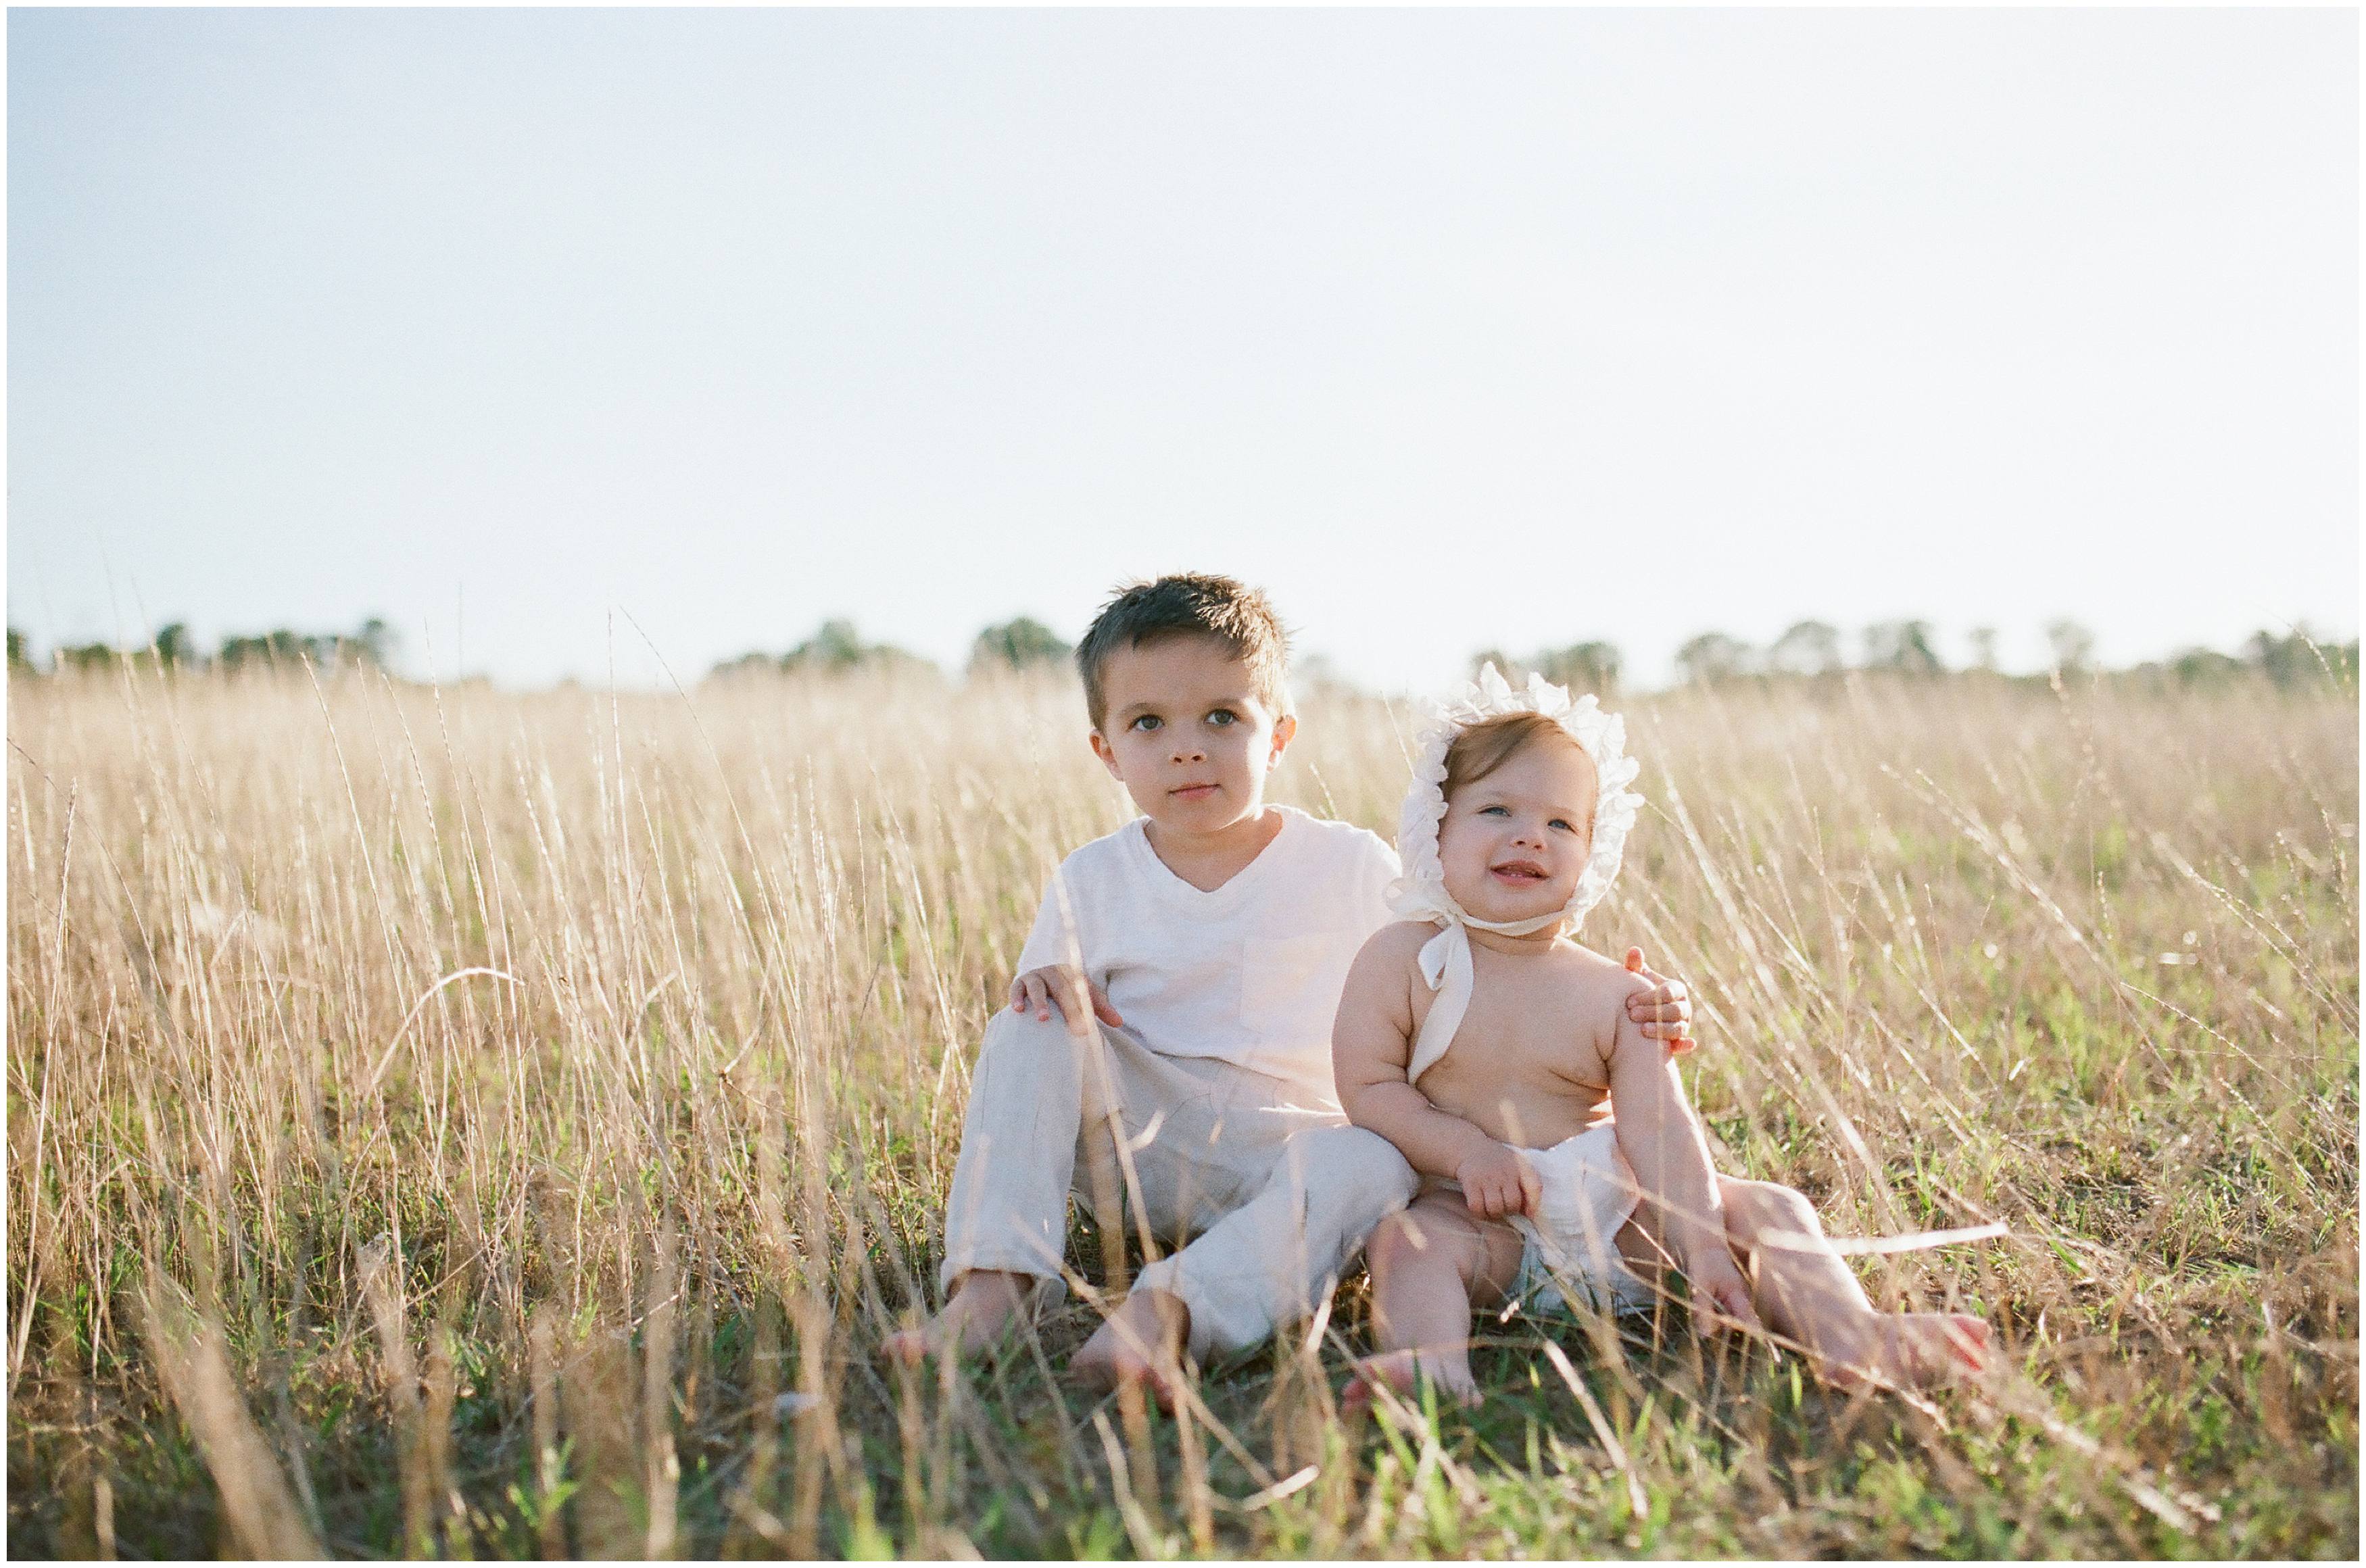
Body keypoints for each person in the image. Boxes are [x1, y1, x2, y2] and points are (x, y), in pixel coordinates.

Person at [884, 578, 1697, 1399]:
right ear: (1106, 751)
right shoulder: (1091, 878)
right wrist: (1050, 980)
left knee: (1372, 1160)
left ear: (1277, 735)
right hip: (1139, 1151)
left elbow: (1485, 945)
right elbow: (1044, 1012)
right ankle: (995, 1286)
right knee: (1028, 1028)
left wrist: (1632, 1003)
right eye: (1147, 724)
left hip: (1291, 1157)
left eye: (1221, 717)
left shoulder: (1348, 865)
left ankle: (1170, 1313)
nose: (1186, 748)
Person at [1332, 665, 1990, 1407]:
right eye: (1495, 810)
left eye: (1560, 824)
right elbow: (1368, 1086)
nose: (1529, 836)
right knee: (1406, 1245)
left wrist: (1700, 1236)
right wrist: (1466, 1151)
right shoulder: (1401, 960)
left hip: (1620, 1220)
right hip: (1480, 1222)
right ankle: (1430, 1364)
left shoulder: (1616, 991)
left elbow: (1657, 1124)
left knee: (1771, 1208)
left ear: (1592, 853)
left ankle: (1847, 1331)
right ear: (1433, 828)